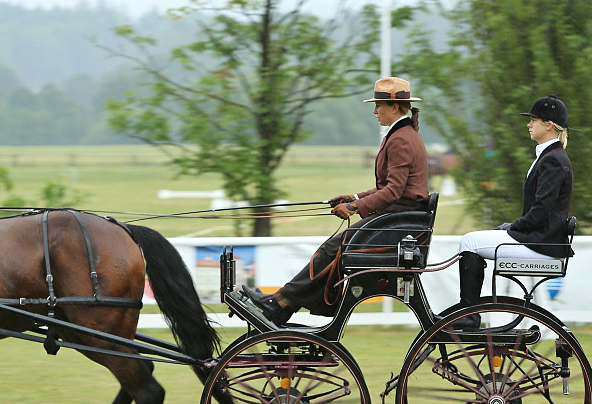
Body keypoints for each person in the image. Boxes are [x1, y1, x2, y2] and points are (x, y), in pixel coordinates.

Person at [244, 76, 429, 324]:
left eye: (378, 106)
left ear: (395, 107)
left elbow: (393, 192)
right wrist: (353, 197)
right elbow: (387, 189)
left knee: (334, 248)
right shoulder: (402, 135)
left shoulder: (401, 139)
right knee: (334, 248)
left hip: (397, 223)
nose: (374, 111)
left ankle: (279, 303)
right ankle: (282, 304)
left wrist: (354, 207)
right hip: (397, 219)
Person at [450, 94, 574, 330]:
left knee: (470, 242)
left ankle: (470, 316)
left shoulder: (553, 160)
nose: (529, 124)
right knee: (475, 240)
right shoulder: (550, 156)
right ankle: (470, 312)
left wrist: (514, 228)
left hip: (541, 243)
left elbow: (540, 211)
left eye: (534, 120)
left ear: (549, 125)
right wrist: (513, 226)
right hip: (540, 239)